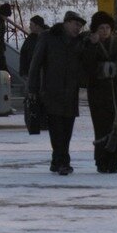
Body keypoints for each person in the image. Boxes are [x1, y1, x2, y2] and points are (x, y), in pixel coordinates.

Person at [27, 10, 87, 175]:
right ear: (66, 23)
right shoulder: (48, 37)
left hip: (71, 93)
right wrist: (32, 88)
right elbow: (35, 64)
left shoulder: (79, 41)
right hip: (51, 92)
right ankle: (63, 162)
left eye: (80, 27)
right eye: (76, 25)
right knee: (57, 130)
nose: (78, 29)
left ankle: (56, 160)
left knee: (67, 130)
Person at [81, 10, 117, 173]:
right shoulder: (89, 43)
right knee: (102, 127)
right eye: (101, 28)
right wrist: (101, 67)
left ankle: (115, 161)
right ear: (95, 30)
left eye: (107, 28)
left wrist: (116, 69)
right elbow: (86, 66)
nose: (104, 31)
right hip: (98, 95)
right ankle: (102, 161)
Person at [19, 15, 48, 80]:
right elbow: (23, 54)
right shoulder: (30, 38)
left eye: (31, 24)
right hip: (31, 73)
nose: (29, 27)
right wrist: (23, 72)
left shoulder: (50, 37)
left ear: (37, 26)